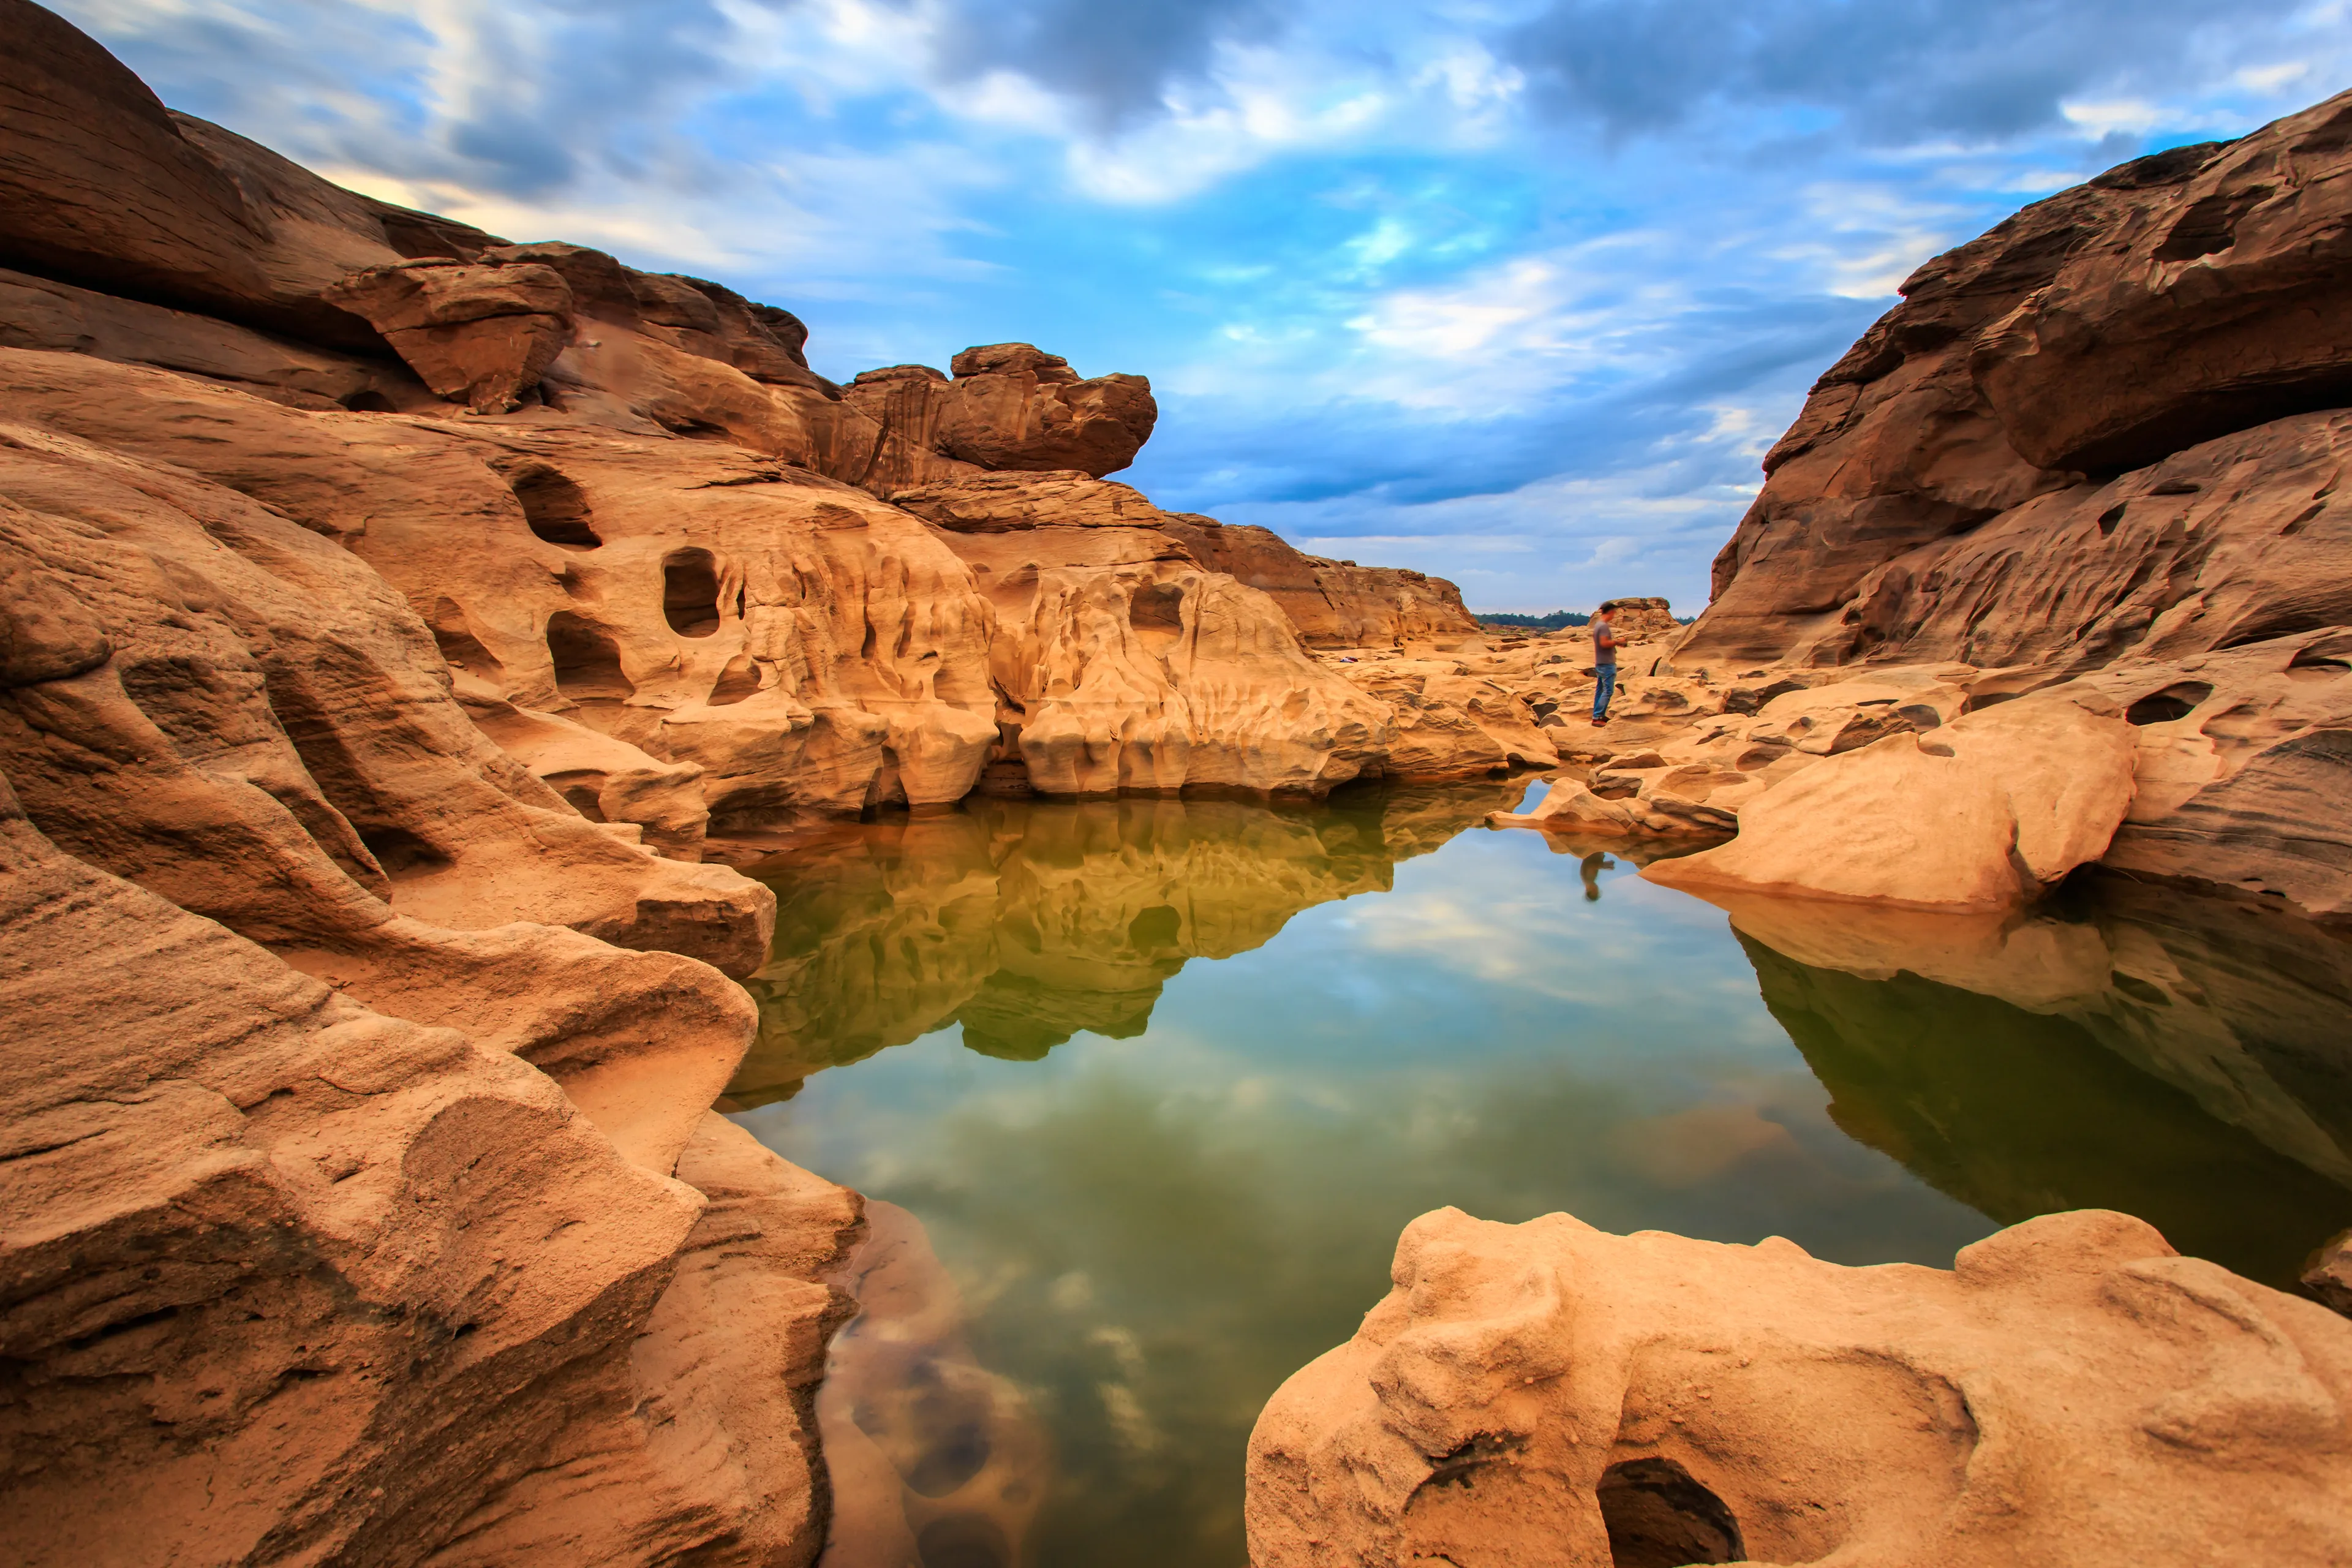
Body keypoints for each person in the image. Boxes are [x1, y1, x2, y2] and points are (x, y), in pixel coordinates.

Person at [1589, 604, 1617, 725]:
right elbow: (1604, 643)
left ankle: (1598, 715)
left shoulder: (1598, 625)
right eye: (1614, 613)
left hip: (1600, 662)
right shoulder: (1604, 626)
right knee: (1608, 691)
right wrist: (1617, 642)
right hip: (1606, 663)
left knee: (1600, 691)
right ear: (1610, 612)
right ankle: (1597, 717)